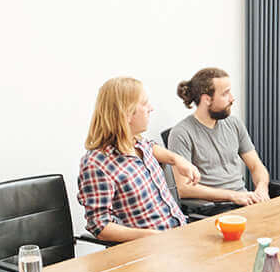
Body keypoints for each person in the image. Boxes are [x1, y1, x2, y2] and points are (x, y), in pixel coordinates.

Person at [77, 75, 201, 242]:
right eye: (144, 104)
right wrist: (149, 236)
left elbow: (152, 148)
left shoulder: (138, 142)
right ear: (126, 113)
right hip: (148, 250)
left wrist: (177, 160)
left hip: (177, 237)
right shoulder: (97, 164)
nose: (151, 108)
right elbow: (100, 226)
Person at [165, 68, 270, 206]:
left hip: (244, 202)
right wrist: (232, 196)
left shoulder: (234, 123)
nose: (232, 99)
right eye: (225, 94)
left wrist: (262, 188)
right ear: (207, 99)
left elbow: (256, 166)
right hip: (213, 210)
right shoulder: (181, 133)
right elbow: (184, 188)